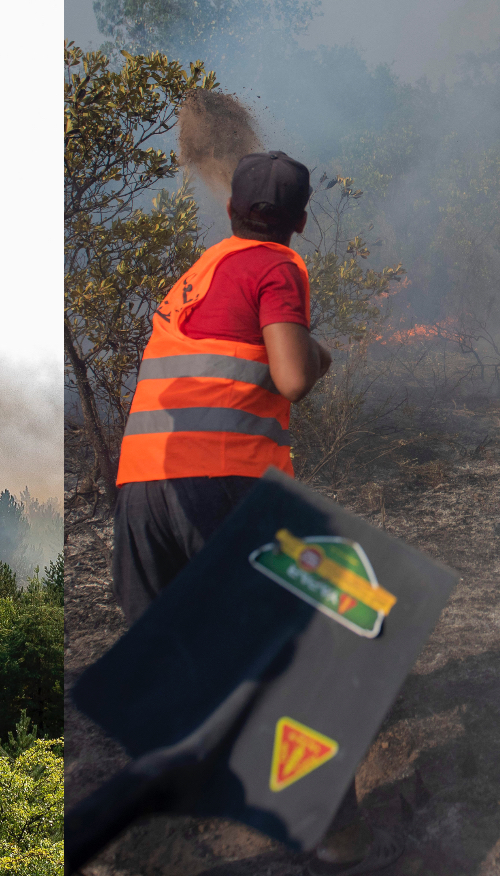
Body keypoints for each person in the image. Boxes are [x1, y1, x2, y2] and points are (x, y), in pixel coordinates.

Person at [110, 150, 381, 873]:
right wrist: (317, 359)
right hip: (222, 484)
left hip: (142, 487)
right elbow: (290, 376)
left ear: (230, 209)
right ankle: (333, 826)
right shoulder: (277, 267)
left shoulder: (199, 271)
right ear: (299, 221)